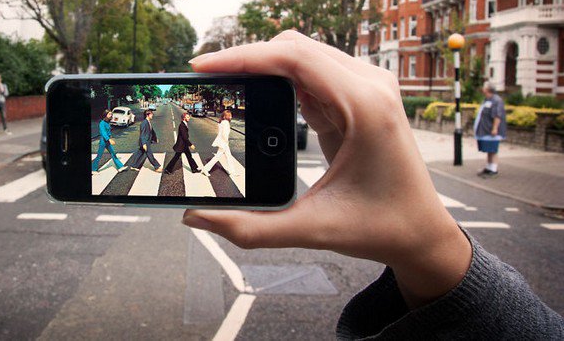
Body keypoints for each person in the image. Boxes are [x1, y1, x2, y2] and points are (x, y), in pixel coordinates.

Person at [181, 30, 563, 339]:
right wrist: (433, 254)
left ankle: (210, 171)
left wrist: (430, 250)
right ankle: (211, 169)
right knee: (224, 163)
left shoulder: (227, 122)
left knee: (224, 164)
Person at [474, 81, 507, 178]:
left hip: (491, 131)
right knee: (489, 149)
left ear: (488, 89)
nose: (482, 89)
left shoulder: (496, 100)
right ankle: (489, 167)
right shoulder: (487, 99)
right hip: (485, 130)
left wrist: (495, 128)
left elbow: (497, 115)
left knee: (493, 149)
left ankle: (494, 169)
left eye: (484, 87)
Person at [199, 110, 237, 178]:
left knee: (229, 157)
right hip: (224, 143)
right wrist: (226, 141)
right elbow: (225, 134)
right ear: (226, 116)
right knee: (218, 157)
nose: (231, 116)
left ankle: (232, 171)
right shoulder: (226, 123)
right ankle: (206, 169)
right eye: (230, 115)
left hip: (223, 142)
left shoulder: (222, 122)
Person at [92, 110, 127, 174]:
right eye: (109, 114)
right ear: (105, 115)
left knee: (113, 154)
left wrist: (110, 138)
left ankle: (120, 167)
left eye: (111, 114)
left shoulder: (107, 122)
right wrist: (109, 139)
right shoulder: (102, 123)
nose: (111, 115)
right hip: (103, 141)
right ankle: (93, 169)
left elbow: (108, 132)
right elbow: (103, 133)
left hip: (107, 140)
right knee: (99, 156)